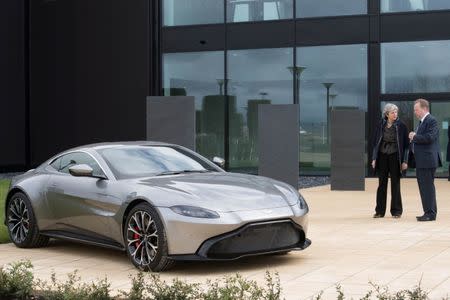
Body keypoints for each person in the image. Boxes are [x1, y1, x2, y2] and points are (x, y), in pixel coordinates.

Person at [371, 103, 409, 218]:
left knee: (395, 184)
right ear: (387, 114)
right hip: (382, 155)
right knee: (381, 183)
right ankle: (379, 211)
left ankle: (396, 211)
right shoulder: (380, 125)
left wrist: (405, 161)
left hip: (395, 156)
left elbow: (407, 146)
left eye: (396, 112)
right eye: (392, 112)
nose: (395, 114)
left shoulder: (401, 126)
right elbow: (375, 143)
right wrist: (374, 158)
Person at [409, 98, 442, 222]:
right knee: (426, 187)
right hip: (422, 161)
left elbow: (430, 138)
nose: (415, 112)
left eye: (416, 109)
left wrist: (414, 136)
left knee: (427, 187)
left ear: (425, 109)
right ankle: (429, 211)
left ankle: (430, 213)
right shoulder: (422, 122)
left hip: (427, 161)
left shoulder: (431, 120)